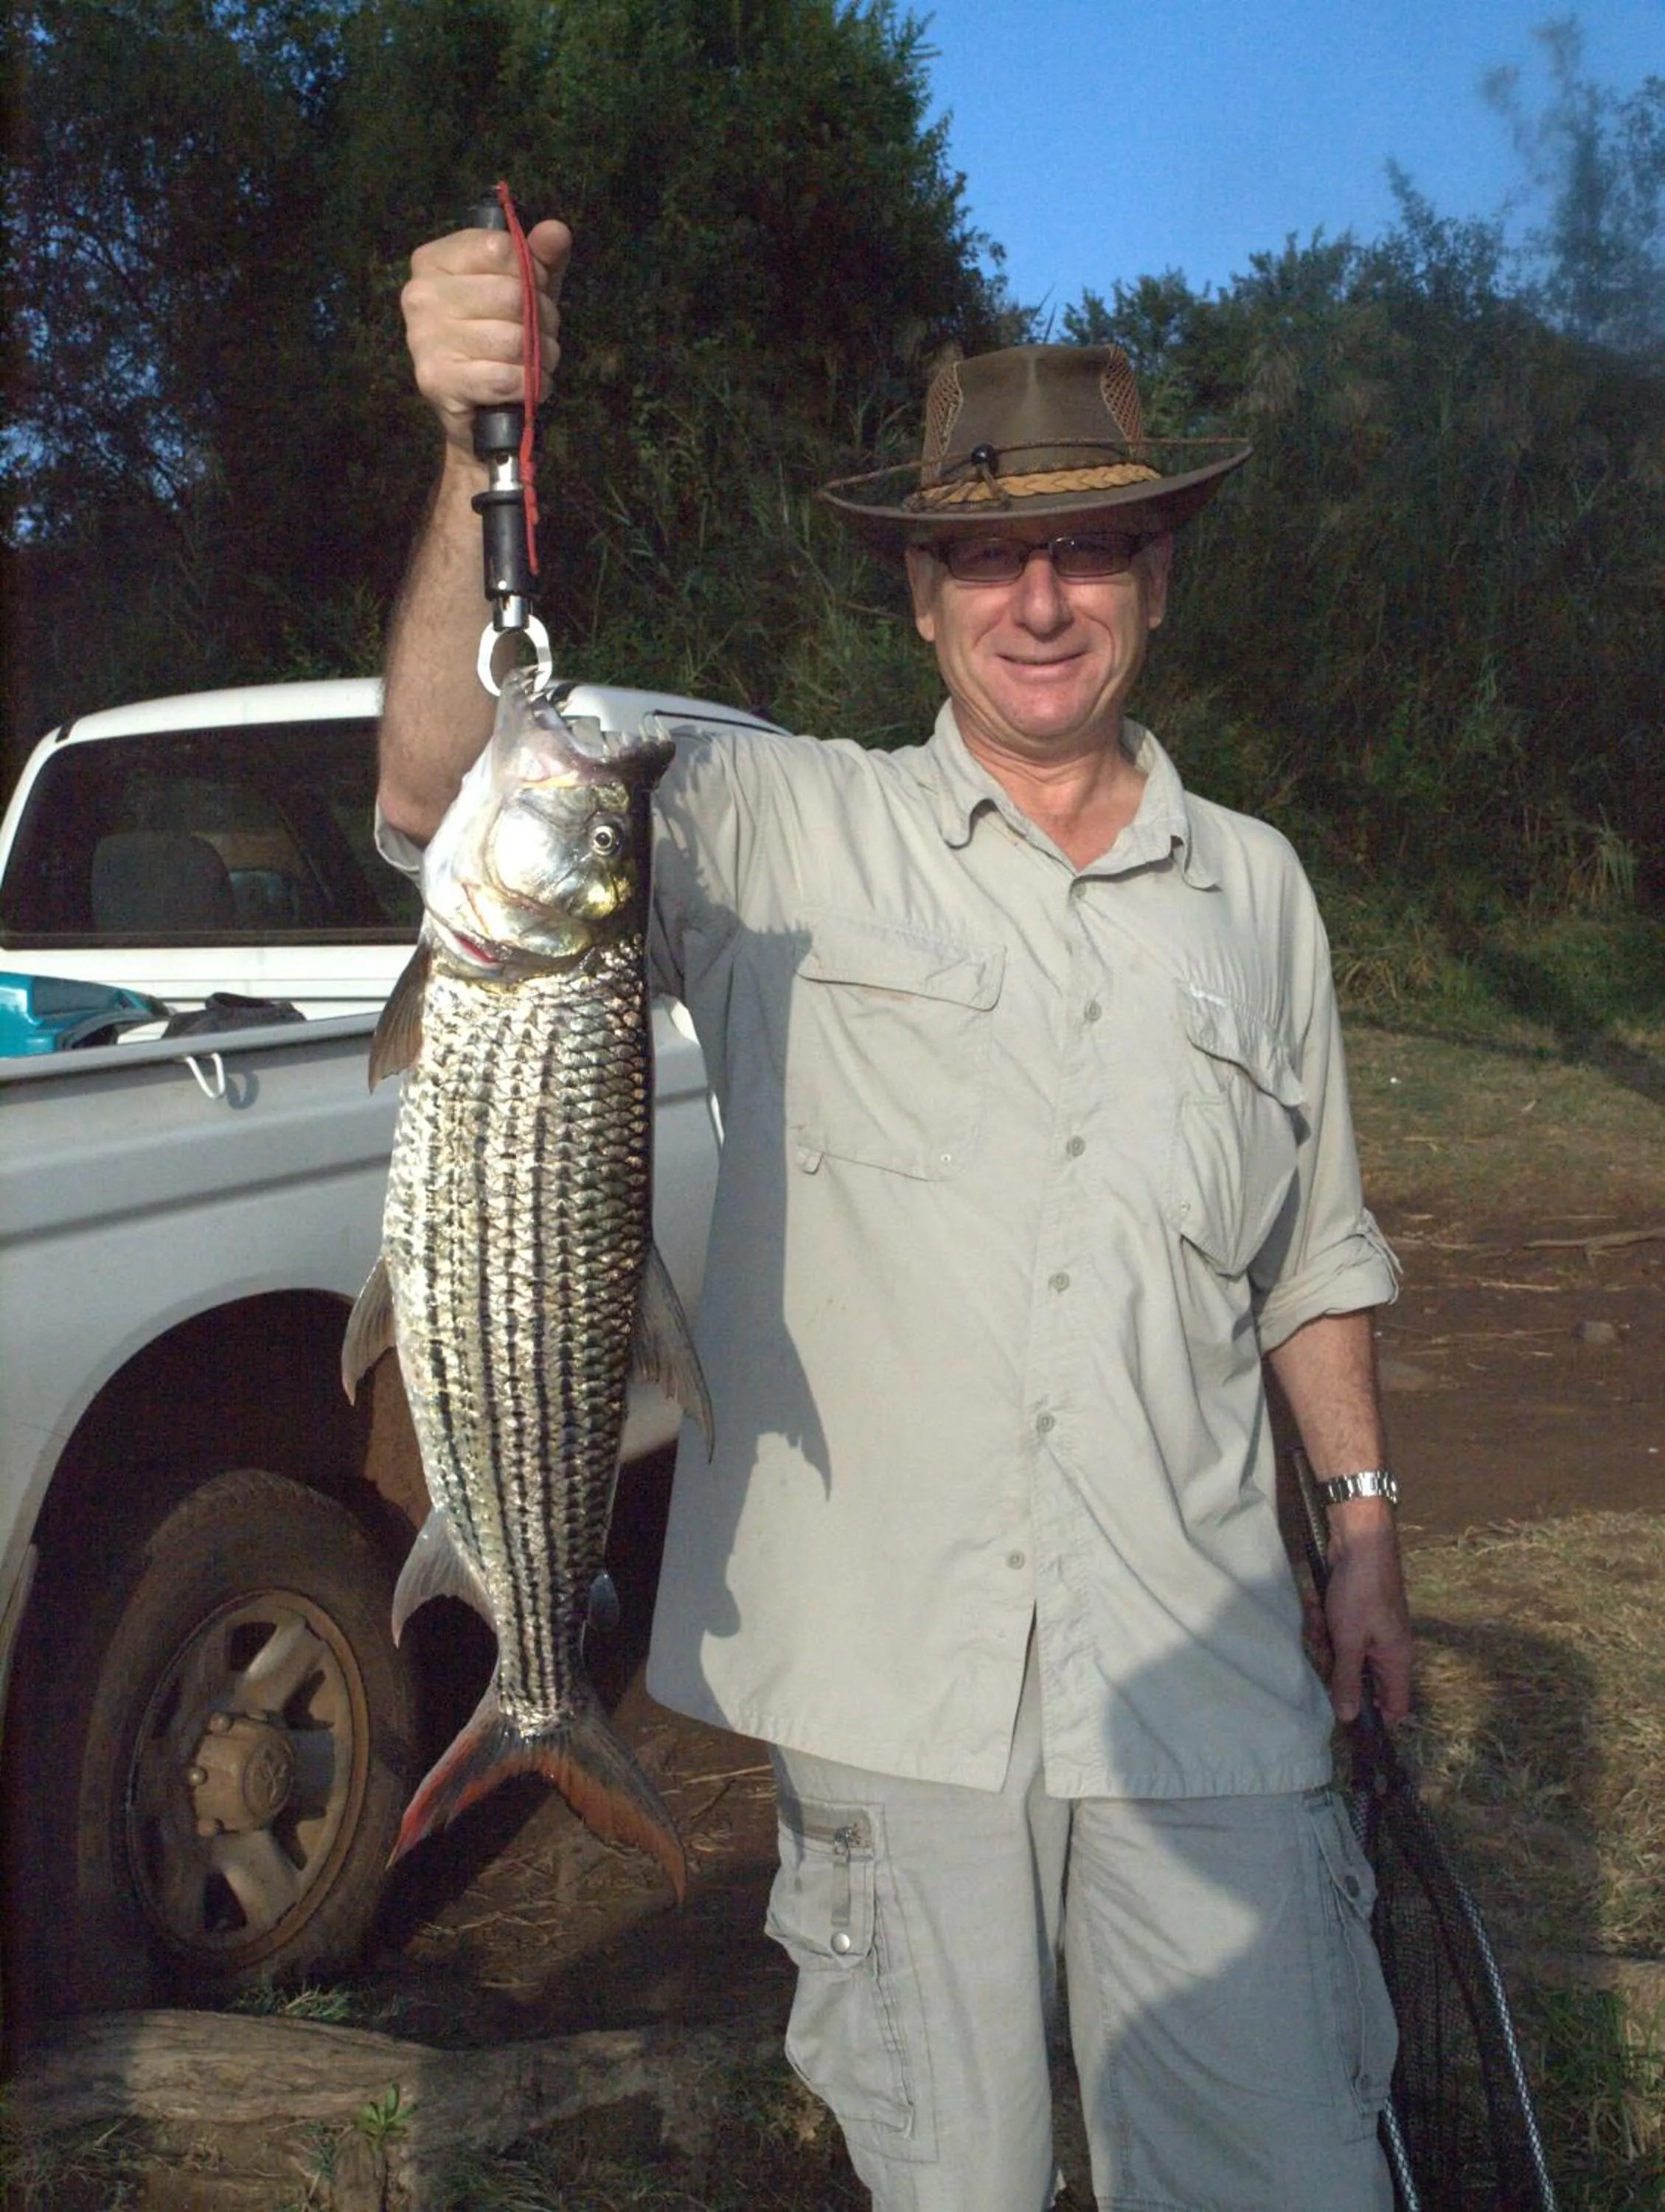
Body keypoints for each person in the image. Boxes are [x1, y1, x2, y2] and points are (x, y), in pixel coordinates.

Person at [380, 213, 1416, 2212]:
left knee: (1289, 2167)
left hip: (1205, 1683)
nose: (1041, 597)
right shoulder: (775, 824)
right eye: (986, 557)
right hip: (894, 1701)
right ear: (921, 599)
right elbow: (444, 793)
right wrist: (466, 448)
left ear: (1155, 579)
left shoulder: (1262, 890)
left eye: (1090, 548)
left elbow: (1314, 1256)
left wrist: (1362, 1522)